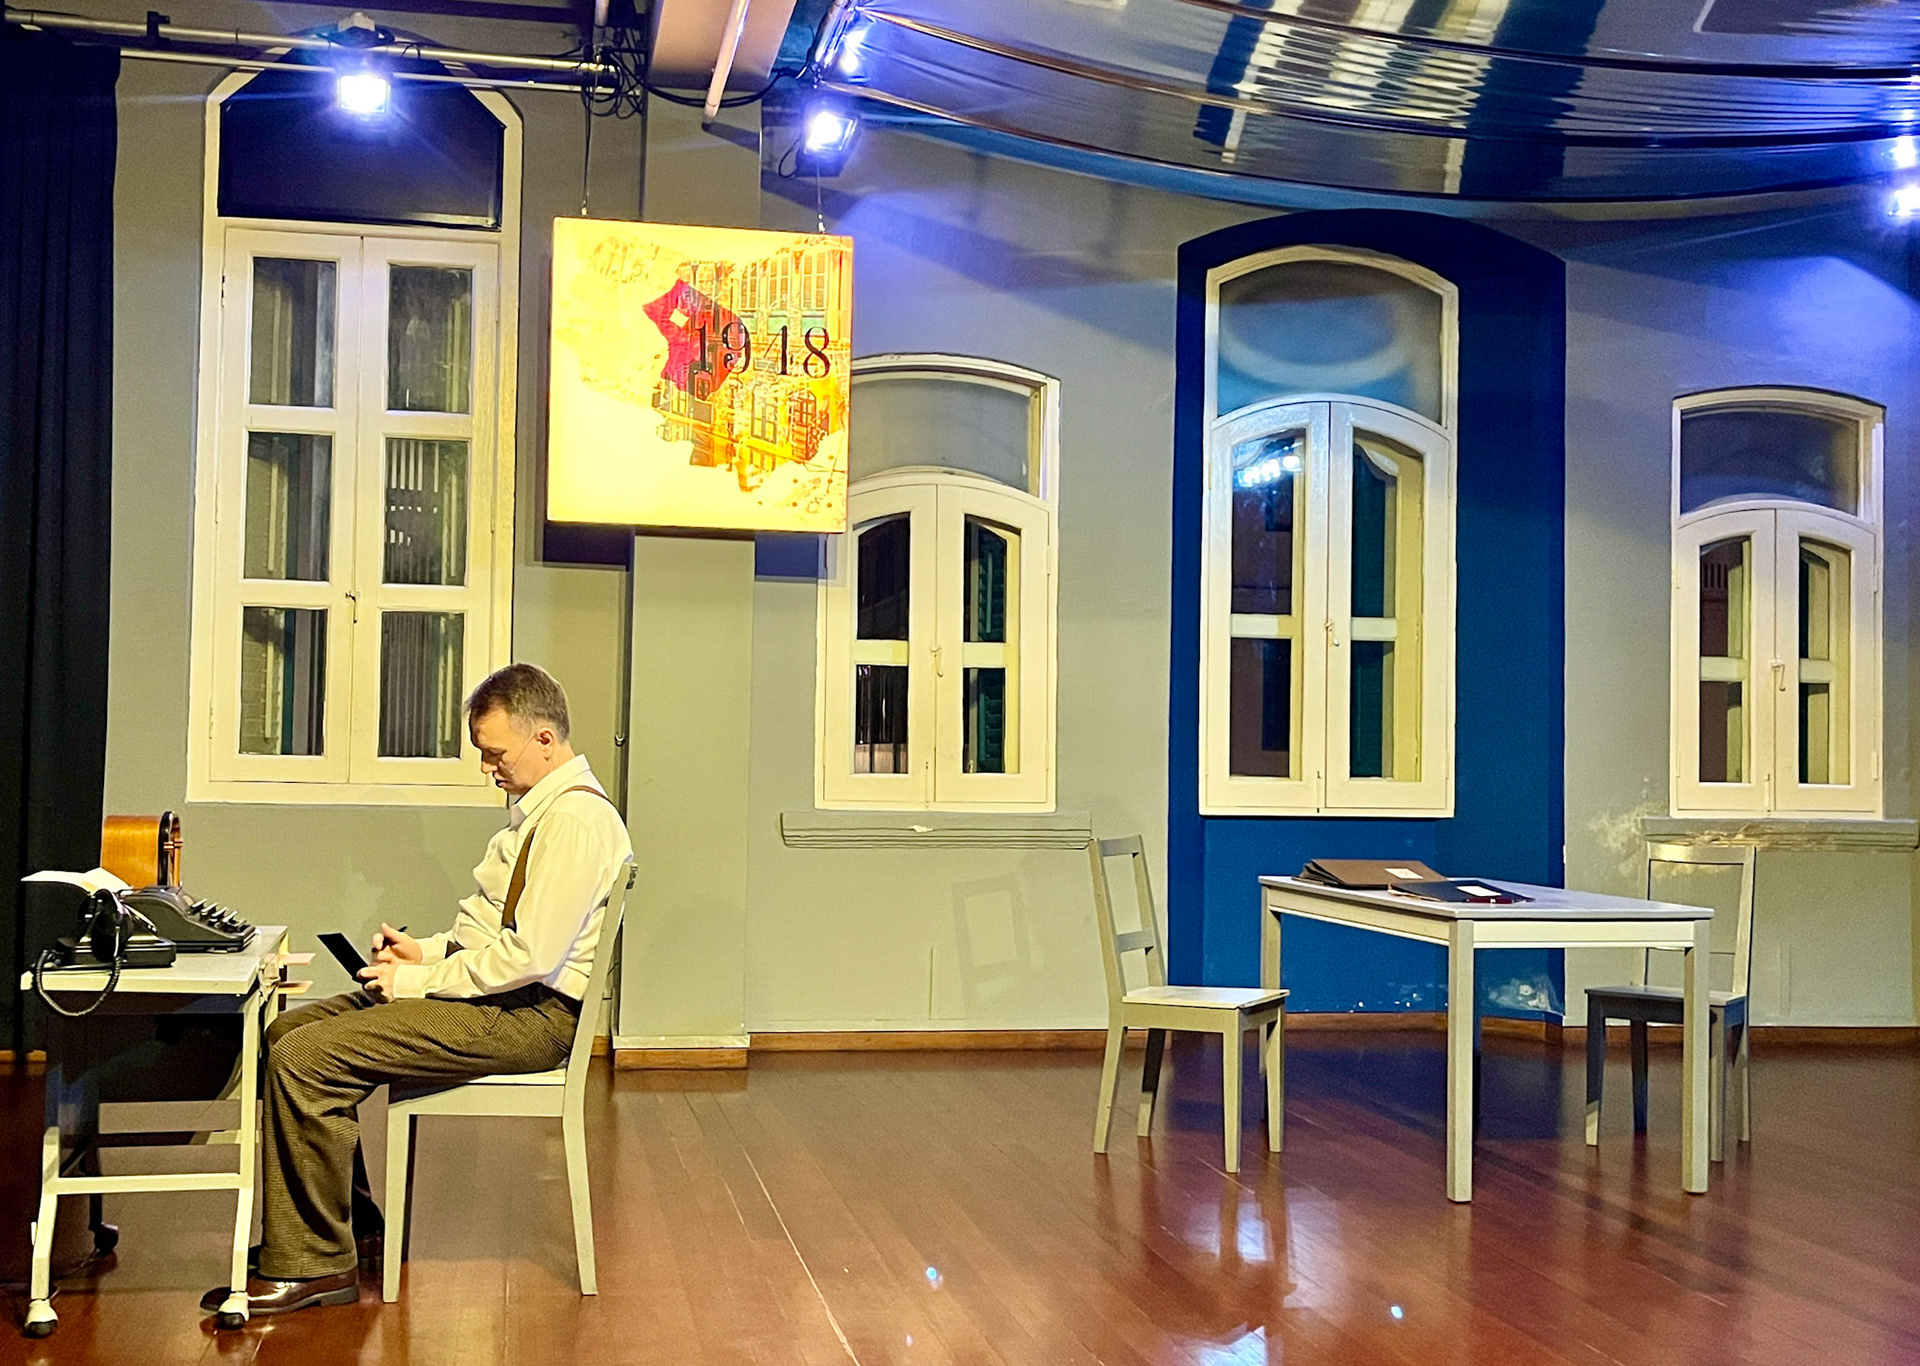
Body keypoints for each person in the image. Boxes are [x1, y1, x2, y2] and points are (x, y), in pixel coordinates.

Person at [203, 663, 633, 1316]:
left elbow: (532, 956)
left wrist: (416, 981)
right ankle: (353, 1226)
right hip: (504, 999)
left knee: (305, 1057)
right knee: (287, 1030)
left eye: (496, 753)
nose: (487, 768)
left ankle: (314, 1262)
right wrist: (425, 952)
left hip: (531, 1017)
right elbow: (494, 932)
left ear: (544, 739)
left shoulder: (575, 822)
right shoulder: (544, 813)